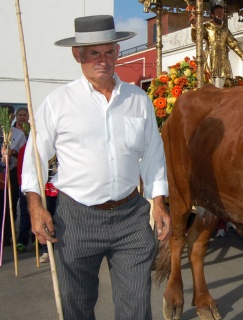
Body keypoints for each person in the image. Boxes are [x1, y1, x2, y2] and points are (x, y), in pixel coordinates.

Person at [21, 15, 171, 319]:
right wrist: (36, 207)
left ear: (117, 52)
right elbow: (34, 159)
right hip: (76, 218)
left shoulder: (137, 99)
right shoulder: (57, 103)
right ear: (78, 55)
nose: (102, 60)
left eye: (109, 51)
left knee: (136, 307)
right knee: (76, 305)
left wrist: (158, 202)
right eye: (93, 53)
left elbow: (154, 154)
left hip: (130, 217)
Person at [189, 0, 243, 85]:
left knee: (226, 83)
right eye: (218, 12)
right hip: (210, 57)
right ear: (212, 14)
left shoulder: (225, 29)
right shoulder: (206, 26)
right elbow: (196, 39)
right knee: (209, 81)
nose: (220, 15)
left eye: (222, 13)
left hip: (223, 59)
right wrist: (194, 25)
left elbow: (233, 44)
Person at [0, 104, 27, 247]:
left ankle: (7, 235)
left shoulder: (18, 134)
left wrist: (12, 153)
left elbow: (24, 155)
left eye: (8, 114)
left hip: (11, 172)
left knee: (10, 205)